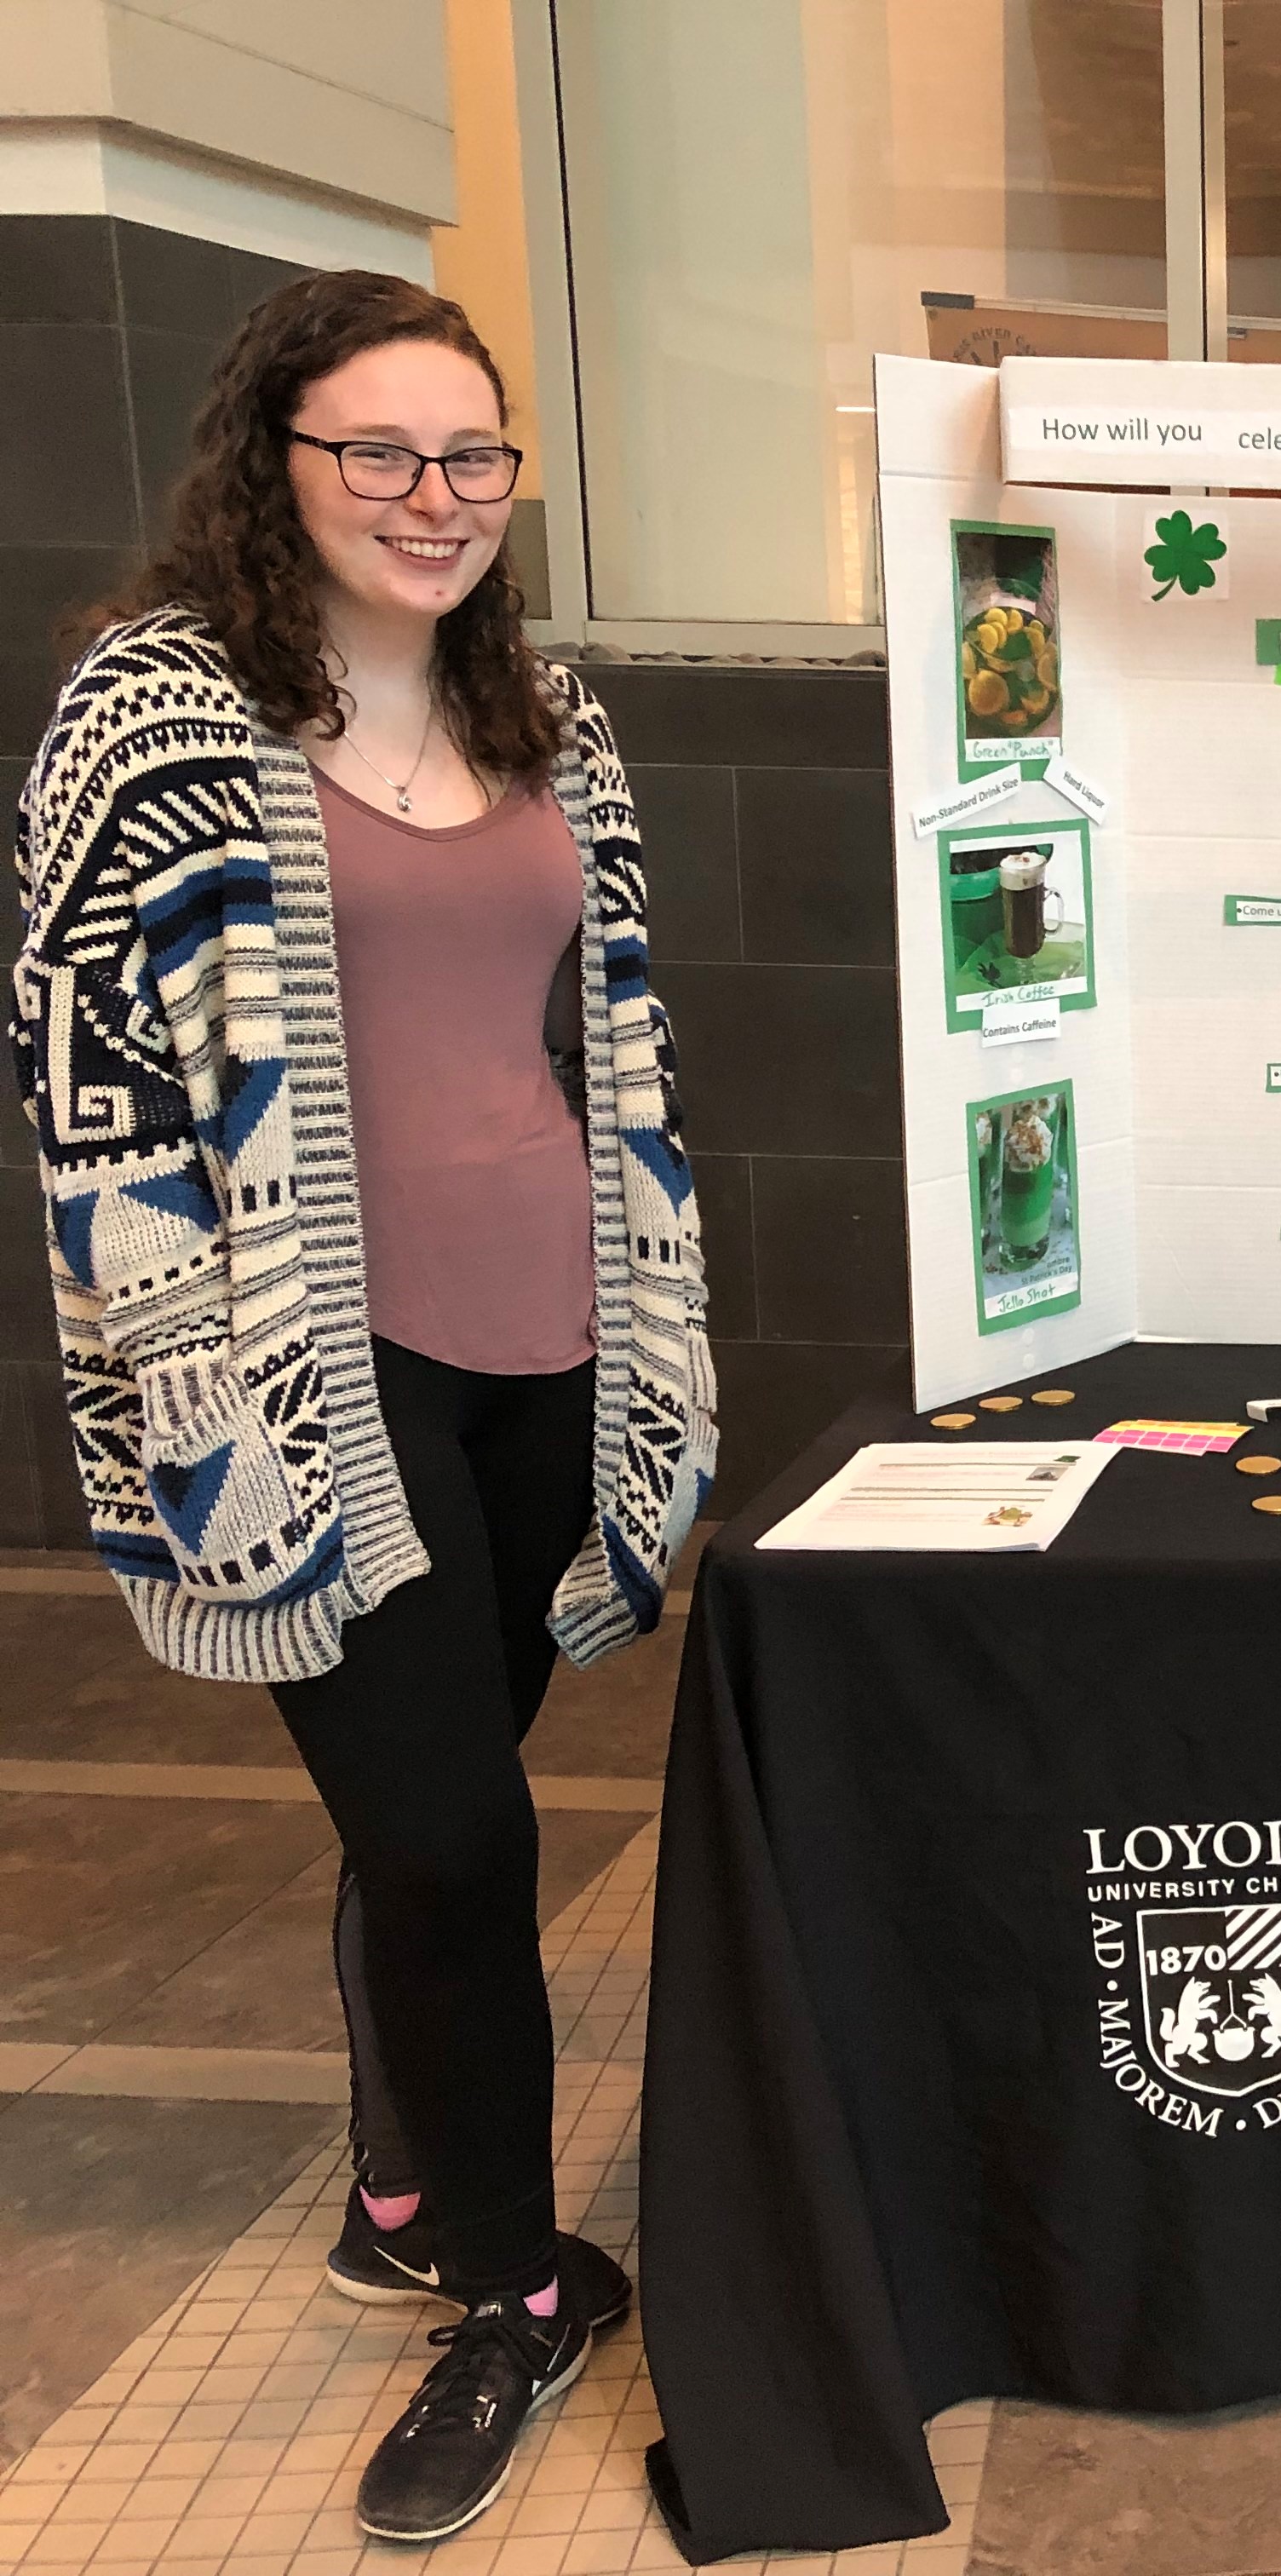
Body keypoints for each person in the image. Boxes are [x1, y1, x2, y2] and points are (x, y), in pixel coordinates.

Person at [10, 272, 715, 2544]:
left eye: (474, 457)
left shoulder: (553, 711)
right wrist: (171, 1374)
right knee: (454, 1838)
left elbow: (615, 1034)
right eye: (382, 454)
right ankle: (510, 2289)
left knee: (444, 1789)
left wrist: (659, 1296)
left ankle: (400, 2175)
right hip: (305, 1373)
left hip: (552, 1349)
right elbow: (87, 1080)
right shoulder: (155, 715)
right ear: (275, 462)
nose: (436, 499)